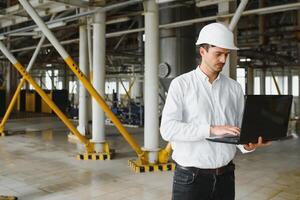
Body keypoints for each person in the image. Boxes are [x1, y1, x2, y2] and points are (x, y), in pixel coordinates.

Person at [160, 22, 271, 200]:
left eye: (226, 54)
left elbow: (237, 128)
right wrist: (211, 129)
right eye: (218, 54)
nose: (223, 60)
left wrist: (247, 144)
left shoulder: (234, 88)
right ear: (202, 51)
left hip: (225, 177)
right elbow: (168, 129)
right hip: (190, 179)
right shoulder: (181, 85)